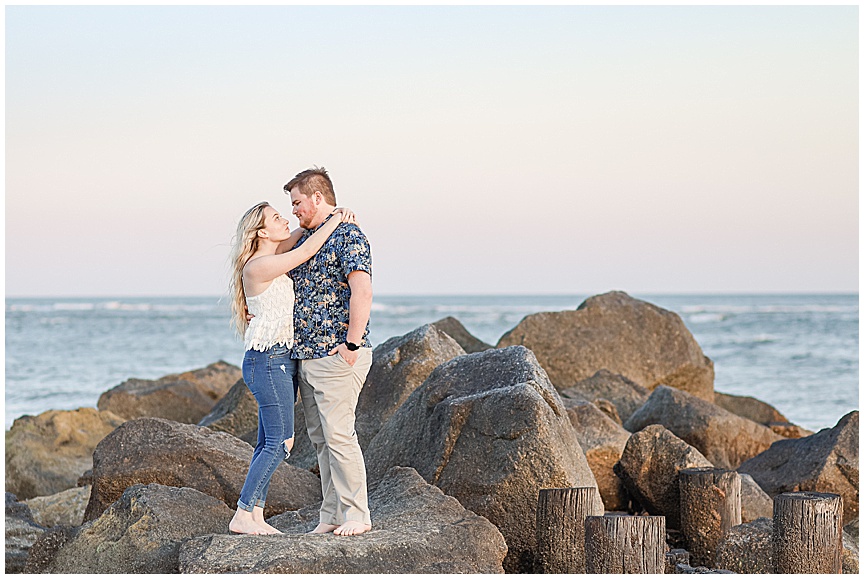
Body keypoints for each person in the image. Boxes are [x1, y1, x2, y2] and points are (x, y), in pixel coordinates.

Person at [227, 200, 355, 536]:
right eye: (276, 217)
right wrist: (338, 217)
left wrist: (322, 217)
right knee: (281, 442)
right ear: (261, 231)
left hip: (277, 359)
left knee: (265, 442)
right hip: (269, 360)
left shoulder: (268, 257)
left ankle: (255, 514)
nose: (286, 218)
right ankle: (243, 513)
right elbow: (307, 249)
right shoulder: (257, 266)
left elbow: (302, 234)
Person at [284, 167, 374, 536]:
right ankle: (332, 515)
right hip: (308, 354)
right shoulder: (310, 237)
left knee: (339, 436)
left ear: (317, 197)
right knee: (321, 440)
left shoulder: (349, 236)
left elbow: (362, 291)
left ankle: (358, 515)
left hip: (338, 353)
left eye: (297, 202)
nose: (293, 210)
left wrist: (351, 344)